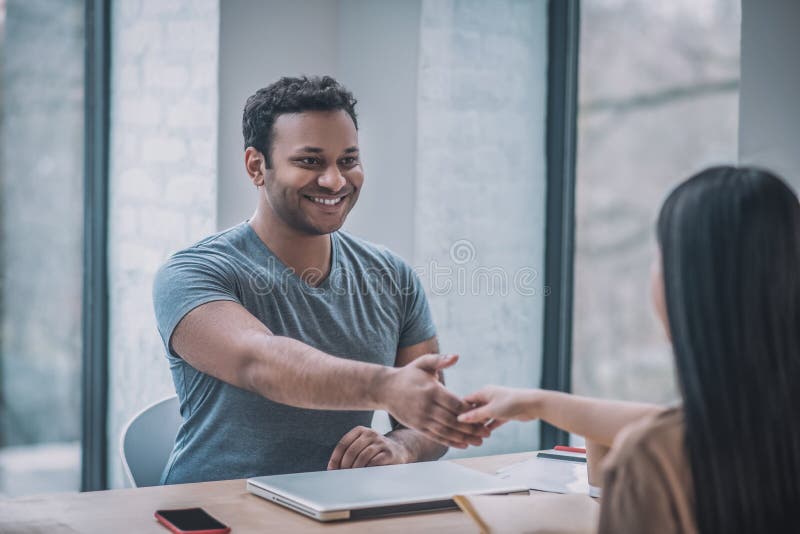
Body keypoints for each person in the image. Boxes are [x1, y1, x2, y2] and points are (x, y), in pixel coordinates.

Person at [153, 76, 488, 484]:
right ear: (257, 166)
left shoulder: (392, 275)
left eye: (347, 160)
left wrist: (403, 446)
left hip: (338, 510)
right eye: (310, 161)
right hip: (218, 511)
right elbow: (260, 362)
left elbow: (429, 415)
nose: (334, 180)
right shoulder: (193, 272)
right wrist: (385, 386)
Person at [459, 166, 800, 533]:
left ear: (687, 288)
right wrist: (535, 403)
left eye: (660, 257)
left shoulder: (650, 462)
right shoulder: (765, 426)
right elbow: (675, 425)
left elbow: (668, 436)